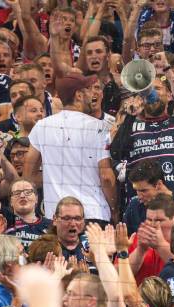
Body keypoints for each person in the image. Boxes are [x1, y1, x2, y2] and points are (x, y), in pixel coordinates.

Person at [24, 73, 118, 224]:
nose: (92, 94)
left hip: (56, 217)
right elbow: (106, 177)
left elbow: (28, 176)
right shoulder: (98, 127)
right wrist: (115, 209)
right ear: (79, 95)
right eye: (88, 89)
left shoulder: (42, 126)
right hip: (93, 213)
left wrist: (56, 178)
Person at [124, 159, 174, 236]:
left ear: (159, 184)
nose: (139, 197)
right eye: (137, 191)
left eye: (143, 191)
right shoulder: (134, 207)